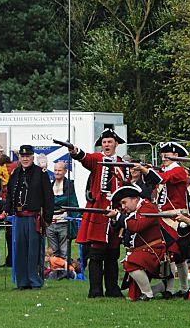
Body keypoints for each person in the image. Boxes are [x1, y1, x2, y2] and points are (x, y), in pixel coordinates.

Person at [69, 128, 131, 298]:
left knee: (113, 253)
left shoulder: (122, 163)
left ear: (116, 144)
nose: (107, 145)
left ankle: (112, 288)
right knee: (96, 254)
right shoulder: (97, 159)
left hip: (116, 213)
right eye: (104, 142)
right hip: (99, 214)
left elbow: (127, 186)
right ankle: (95, 290)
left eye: (110, 142)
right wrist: (75, 151)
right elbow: (84, 158)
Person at [6, 145, 53, 289]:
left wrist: (47, 218)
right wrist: (7, 209)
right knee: (20, 250)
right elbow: (9, 193)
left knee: (34, 251)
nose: (25, 159)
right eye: (22, 156)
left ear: (32, 157)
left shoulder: (41, 173)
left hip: (34, 218)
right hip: (19, 217)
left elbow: (48, 197)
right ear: (19, 157)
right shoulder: (16, 173)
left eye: (28, 156)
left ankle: (35, 281)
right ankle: (22, 282)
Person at [111, 184, 166, 301]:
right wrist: (115, 217)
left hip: (152, 250)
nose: (123, 206)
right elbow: (120, 227)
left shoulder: (148, 208)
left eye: (124, 202)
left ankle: (148, 293)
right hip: (141, 251)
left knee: (130, 262)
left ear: (135, 199)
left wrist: (119, 216)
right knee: (133, 297)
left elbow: (137, 226)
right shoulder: (135, 210)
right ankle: (159, 288)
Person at [48, 160, 78, 260]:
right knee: (53, 250)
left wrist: (54, 201)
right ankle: (55, 270)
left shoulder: (69, 185)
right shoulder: (50, 185)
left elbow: (68, 200)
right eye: (55, 170)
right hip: (50, 222)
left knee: (64, 251)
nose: (57, 172)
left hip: (64, 222)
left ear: (65, 171)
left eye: (59, 170)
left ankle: (65, 270)